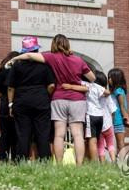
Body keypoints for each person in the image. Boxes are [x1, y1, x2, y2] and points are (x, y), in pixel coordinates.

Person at [8, 34, 96, 165]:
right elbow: (92, 78)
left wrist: (14, 59)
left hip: (58, 98)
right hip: (77, 100)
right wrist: (76, 82)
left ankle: (59, 164)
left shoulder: (51, 57)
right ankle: (79, 165)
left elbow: (29, 55)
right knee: (78, 134)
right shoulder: (78, 60)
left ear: (54, 44)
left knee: (59, 134)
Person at [7, 37, 55, 161]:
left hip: (21, 102)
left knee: (23, 134)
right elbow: (51, 85)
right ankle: (44, 161)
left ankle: (21, 161)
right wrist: (46, 95)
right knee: (43, 134)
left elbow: (11, 88)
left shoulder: (17, 66)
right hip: (41, 102)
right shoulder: (44, 65)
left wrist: (11, 104)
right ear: (36, 49)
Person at [61, 73, 108, 162]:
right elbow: (107, 93)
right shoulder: (96, 86)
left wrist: (70, 86)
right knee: (95, 140)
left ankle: (94, 163)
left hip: (90, 115)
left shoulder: (83, 83)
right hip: (100, 116)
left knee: (91, 140)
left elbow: (83, 87)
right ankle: (90, 160)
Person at [0, 51, 19, 162]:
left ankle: (2, 159)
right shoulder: (18, 70)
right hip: (17, 104)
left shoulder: (0, 71)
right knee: (16, 134)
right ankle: (15, 160)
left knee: (4, 134)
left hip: (3, 106)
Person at [95, 71, 117, 162]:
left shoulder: (93, 94)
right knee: (111, 144)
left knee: (100, 146)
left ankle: (103, 165)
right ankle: (114, 161)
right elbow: (113, 110)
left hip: (98, 125)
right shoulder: (107, 95)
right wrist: (112, 121)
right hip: (108, 124)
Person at [109, 68, 129, 154]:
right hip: (115, 119)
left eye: (110, 77)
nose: (109, 80)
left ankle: (122, 164)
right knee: (118, 144)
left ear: (116, 78)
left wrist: (126, 118)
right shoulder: (116, 91)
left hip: (118, 120)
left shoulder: (118, 91)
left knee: (120, 144)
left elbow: (122, 106)